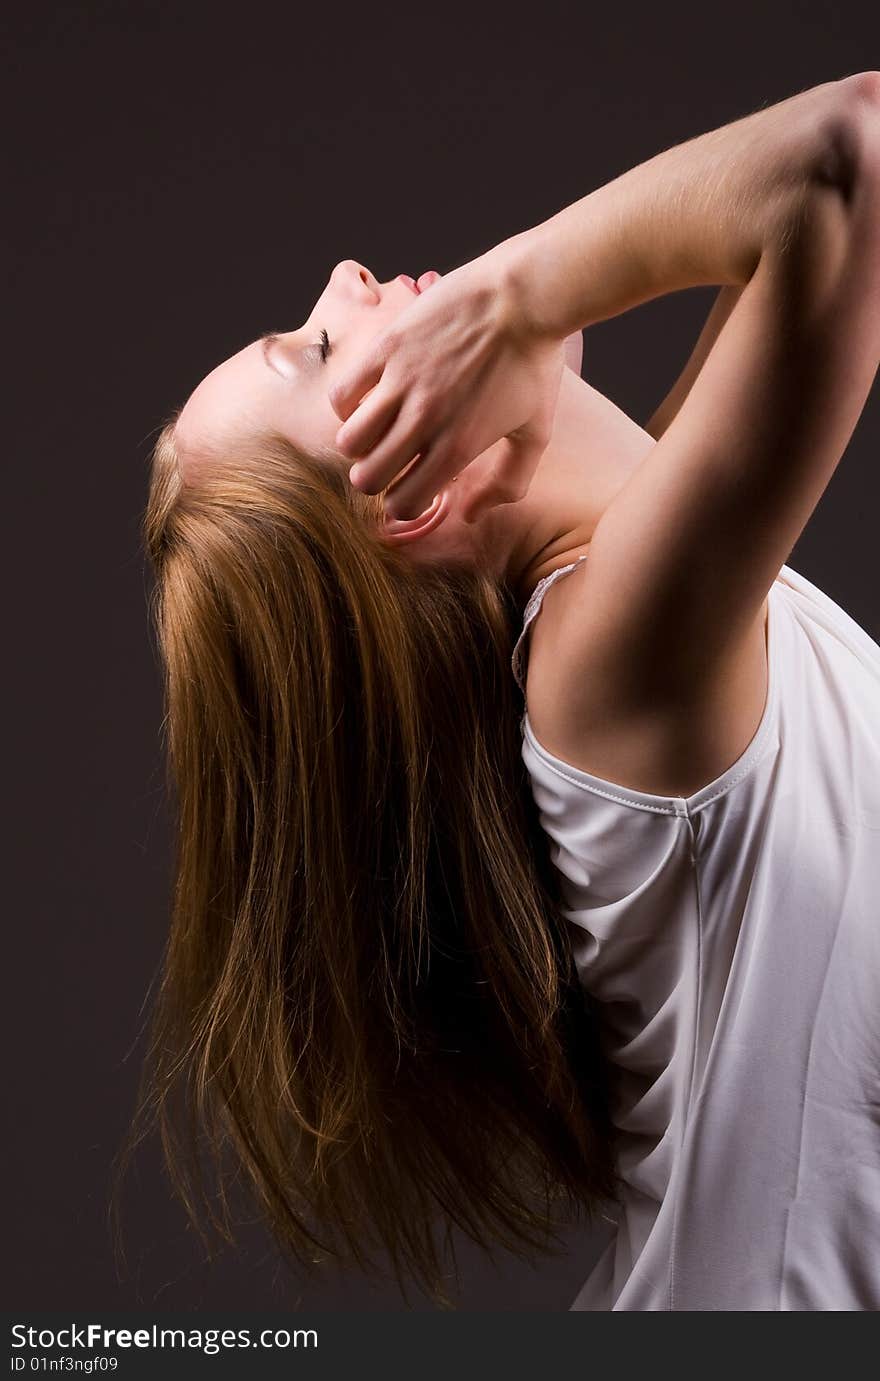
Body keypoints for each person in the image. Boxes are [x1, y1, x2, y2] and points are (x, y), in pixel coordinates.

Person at [121, 71, 880, 1310]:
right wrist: (515, 292)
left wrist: (513, 319)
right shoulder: (609, 667)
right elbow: (848, 160)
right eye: (314, 349)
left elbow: (766, 240)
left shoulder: (640, 595)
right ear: (410, 499)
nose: (346, 279)